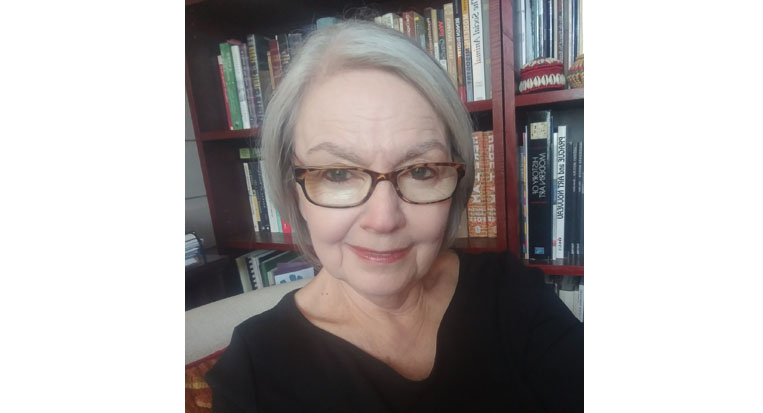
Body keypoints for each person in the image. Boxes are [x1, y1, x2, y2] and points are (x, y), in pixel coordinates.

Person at [206, 20, 582, 412]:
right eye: (338, 173)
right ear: (292, 191)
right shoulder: (252, 373)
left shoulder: (511, 294)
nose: (384, 220)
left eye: (420, 171)